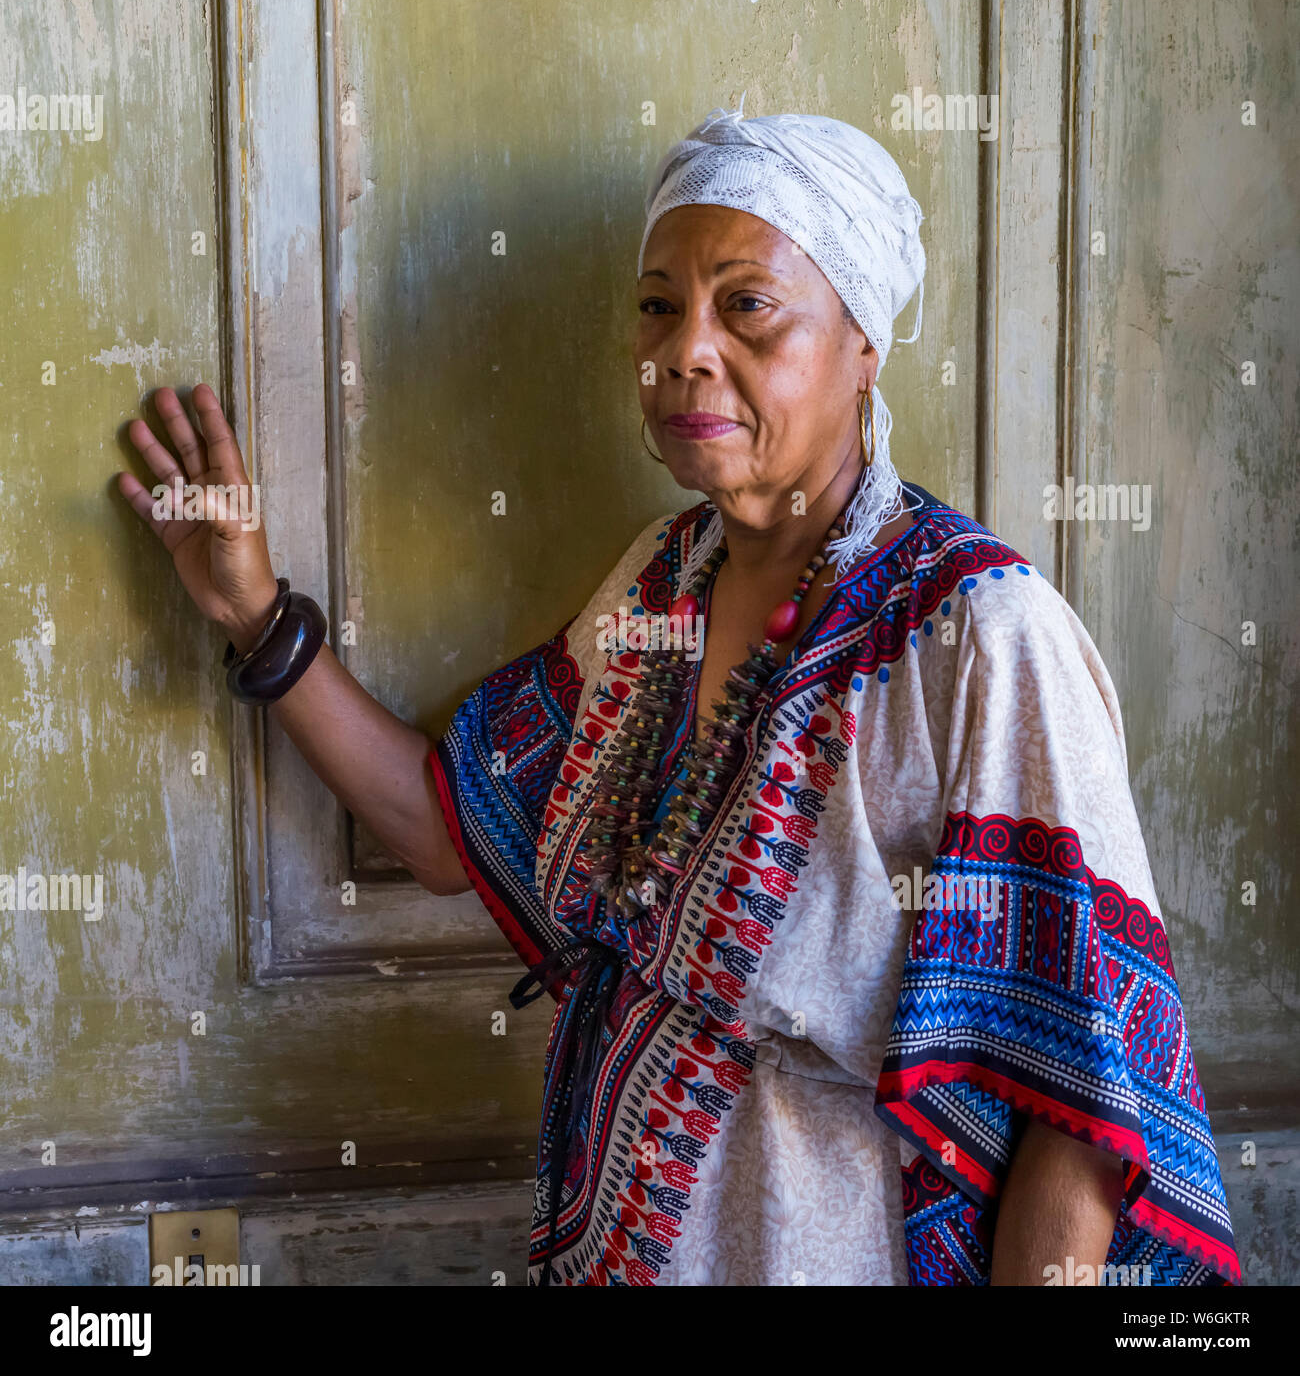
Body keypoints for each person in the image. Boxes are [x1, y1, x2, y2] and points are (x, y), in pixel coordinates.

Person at [117, 102, 1241, 1288]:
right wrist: (253, 614)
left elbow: (1082, 1107)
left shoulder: (981, 636)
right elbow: (453, 828)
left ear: (863, 344)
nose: (685, 350)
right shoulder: (663, 581)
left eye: (746, 305)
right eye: (659, 306)